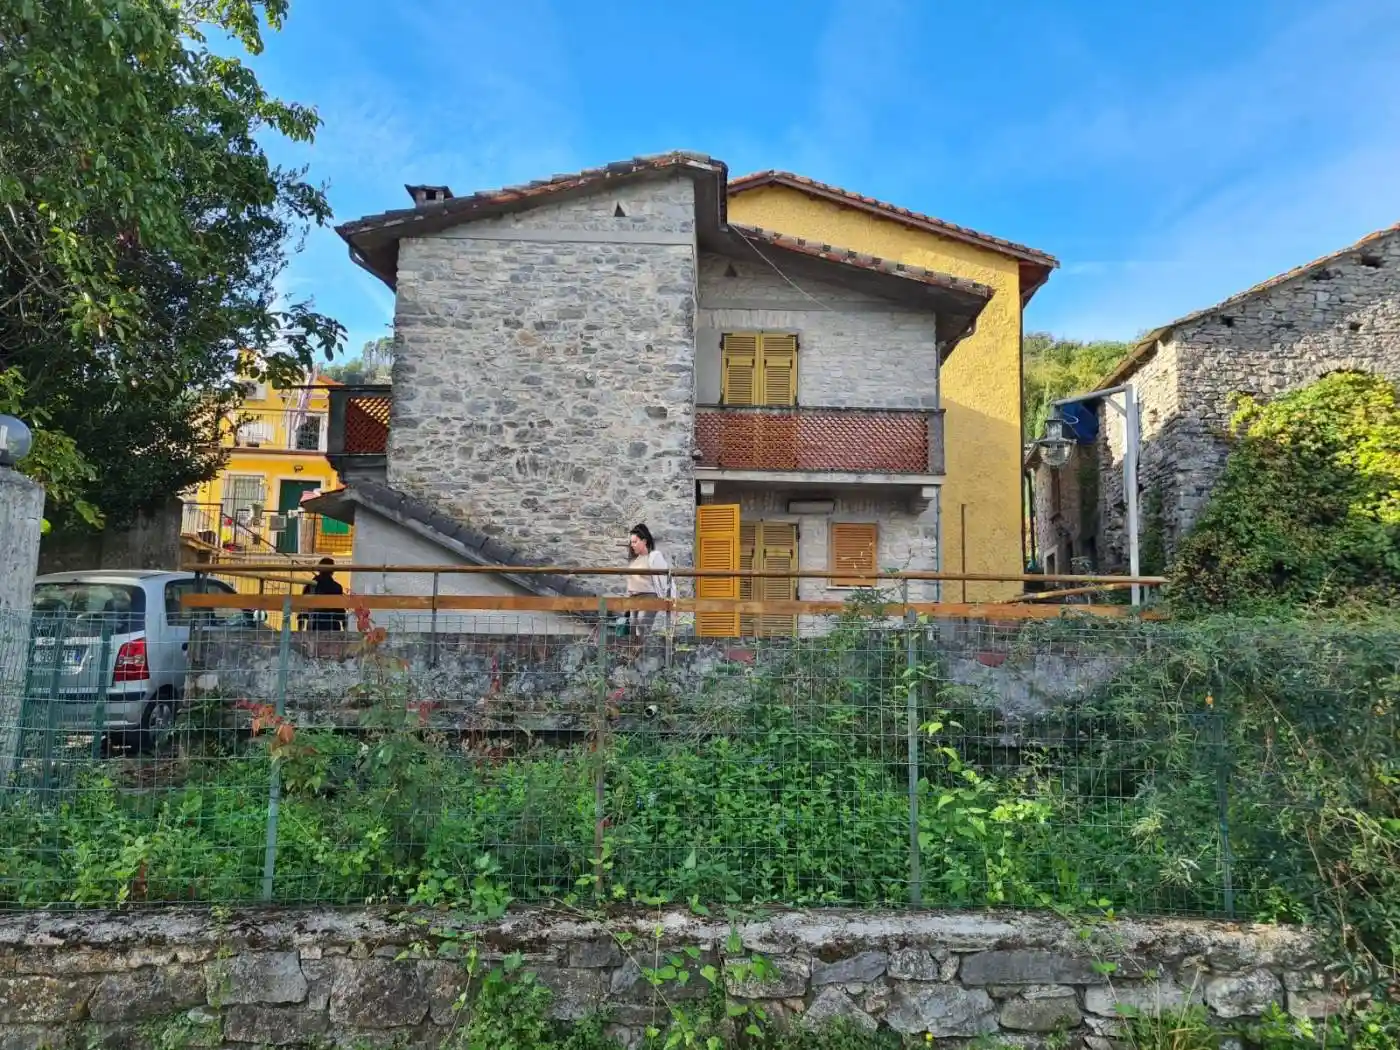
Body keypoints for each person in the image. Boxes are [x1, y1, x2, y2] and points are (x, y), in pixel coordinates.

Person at [625, 524, 674, 637]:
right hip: (633, 598)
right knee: (633, 629)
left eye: (635, 542)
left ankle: (643, 647)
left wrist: (669, 598)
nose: (632, 545)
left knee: (642, 625)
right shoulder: (634, 560)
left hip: (649, 596)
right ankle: (637, 648)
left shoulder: (654, 556)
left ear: (644, 541)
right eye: (631, 542)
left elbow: (665, 578)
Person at [301, 558, 347, 631]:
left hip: (314, 624)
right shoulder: (336, 587)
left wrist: (301, 625)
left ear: (319, 569)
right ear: (332, 571)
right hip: (332, 625)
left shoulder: (310, 585)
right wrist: (344, 624)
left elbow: (303, 608)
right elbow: (340, 611)